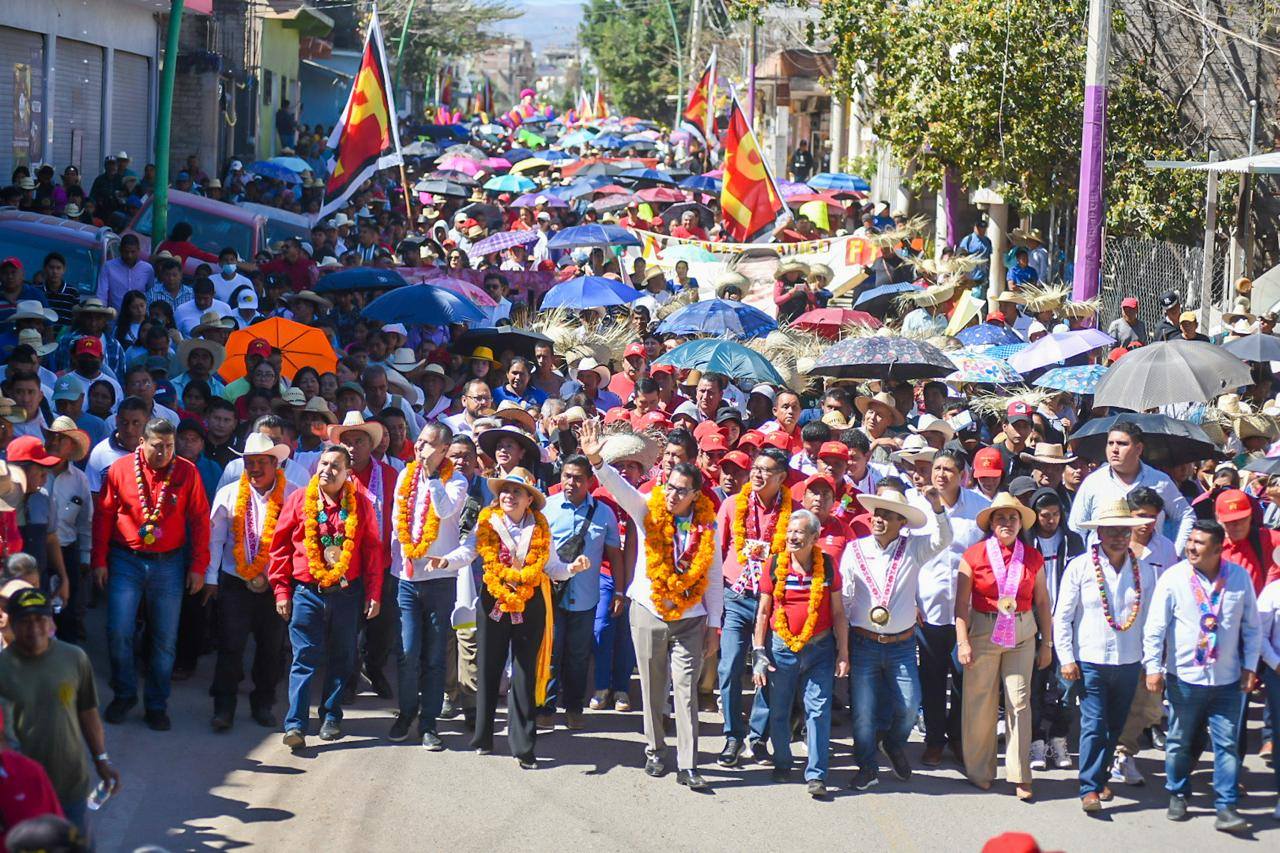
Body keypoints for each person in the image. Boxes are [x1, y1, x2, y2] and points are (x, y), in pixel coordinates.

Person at [580, 419, 723, 791]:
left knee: (686, 689)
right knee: (653, 688)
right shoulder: (647, 509)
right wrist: (597, 461)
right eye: (670, 487)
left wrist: (714, 626)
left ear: (695, 495)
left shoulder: (708, 526)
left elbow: (714, 576)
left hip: (691, 619)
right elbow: (620, 487)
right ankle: (656, 749)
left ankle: (688, 764)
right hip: (648, 610)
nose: (673, 495)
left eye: (682, 491)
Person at [467, 467, 590, 768]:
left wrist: (572, 568)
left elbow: (553, 568)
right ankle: (483, 736)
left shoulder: (540, 529)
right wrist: (447, 559)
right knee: (488, 666)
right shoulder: (487, 523)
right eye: (505, 491)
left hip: (530, 605)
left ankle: (523, 745)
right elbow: (467, 551)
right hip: (494, 602)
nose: (509, 496)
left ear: (528, 500)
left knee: (524, 673)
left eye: (516, 492)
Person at [1142, 520, 1260, 834]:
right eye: (1191, 541)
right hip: (1184, 678)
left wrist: (1250, 668)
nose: (1191, 547)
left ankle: (1226, 806)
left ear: (1218, 549)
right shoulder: (1174, 578)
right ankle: (1178, 793)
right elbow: (1155, 627)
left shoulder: (1238, 578)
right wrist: (1153, 668)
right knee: (1179, 741)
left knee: (1227, 745)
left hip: (1227, 680)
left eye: (1200, 543)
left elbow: (1251, 627)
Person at [92, 418, 210, 731]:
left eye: (169, 446)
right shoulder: (119, 469)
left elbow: (200, 520)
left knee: (165, 639)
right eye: (157, 445)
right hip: (125, 559)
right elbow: (103, 516)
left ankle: (157, 704)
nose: (163, 452)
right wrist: (99, 560)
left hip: (169, 564)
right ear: (142, 442)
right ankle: (125, 693)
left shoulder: (187, 471)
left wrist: (199, 566)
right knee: (119, 630)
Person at [269, 445, 384, 750]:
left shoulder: (360, 504)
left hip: (347, 593)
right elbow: (280, 548)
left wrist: (374, 593)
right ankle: (295, 725)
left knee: (342, 656)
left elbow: (372, 550)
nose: (327, 470)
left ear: (348, 473)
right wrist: (281, 590)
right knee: (303, 658)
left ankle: (331, 716)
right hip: (306, 592)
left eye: (335, 466)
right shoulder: (298, 500)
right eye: (323, 463)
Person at [840, 482, 951, 790]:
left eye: (887, 515)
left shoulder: (913, 547)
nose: (878, 519)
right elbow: (846, 596)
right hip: (863, 641)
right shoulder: (855, 548)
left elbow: (944, 538)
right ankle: (867, 765)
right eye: (877, 513)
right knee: (863, 712)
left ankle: (892, 742)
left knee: (909, 704)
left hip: (901, 643)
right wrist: (843, 640)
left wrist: (937, 508)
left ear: (902, 522)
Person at [1053, 500, 1155, 812]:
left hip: (1128, 661)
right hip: (1091, 660)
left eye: (1123, 532)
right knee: (1094, 723)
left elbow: (1151, 621)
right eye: (1111, 531)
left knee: (1115, 726)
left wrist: (1150, 664)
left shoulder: (1144, 570)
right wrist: (1067, 658)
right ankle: (1089, 788)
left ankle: (1100, 777)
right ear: (1099, 532)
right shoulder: (1080, 567)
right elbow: (1063, 616)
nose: (1118, 537)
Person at [0, 588, 120, 840]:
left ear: (51, 621)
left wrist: (102, 760)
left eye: (40, 620)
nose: (34, 629)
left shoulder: (74, 658)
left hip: (71, 784)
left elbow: (88, 712)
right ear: (11, 623)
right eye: (25, 622)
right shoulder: (2, 669)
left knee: (77, 845)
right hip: (21, 791)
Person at [956, 493, 1053, 800]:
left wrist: (1047, 644)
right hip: (984, 629)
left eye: (1013, 518)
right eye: (1001, 518)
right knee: (979, 702)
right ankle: (980, 770)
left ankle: (1020, 773)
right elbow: (960, 606)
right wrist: (962, 642)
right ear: (991, 523)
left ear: (1020, 523)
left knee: (1019, 700)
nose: (1007, 523)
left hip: (1022, 632)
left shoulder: (1033, 557)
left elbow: (1042, 601)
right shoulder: (973, 556)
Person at [752, 509, 849, 798]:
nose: (793, 537)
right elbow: (763, 612)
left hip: (820, 649)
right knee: (779, 710)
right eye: (790, 532)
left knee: (817, 711)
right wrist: (759, 652)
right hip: (782, 648)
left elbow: (839, 613)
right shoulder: (773, 565)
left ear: (815, 537)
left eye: (800, 533)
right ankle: (782, 762)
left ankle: (817, 775)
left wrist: (843, 651)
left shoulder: (828, 566)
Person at [205, 433, 296, 731]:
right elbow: (215, 539)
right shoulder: (230, 493)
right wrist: (211, 579)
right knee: (231, 645)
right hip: (235, 581)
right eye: (249, 463)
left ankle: (263, 703)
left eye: (261, 462)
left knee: (271, 648)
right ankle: (224, 708)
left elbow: (300, 542)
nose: (254, 469)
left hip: (275, 584)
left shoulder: (293, 494)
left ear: (275, 464)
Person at [388, 422, 470, 750]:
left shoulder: (457, 480)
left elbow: (445, 510)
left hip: (440, 580)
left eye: (427, 444)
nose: (419, 448)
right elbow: (397, 520)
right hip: (407, 577)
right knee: (408, 652)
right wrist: (403, 553)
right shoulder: (406, 478)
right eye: (419, 442)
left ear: (442, 451)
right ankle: (407, 712)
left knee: (435, 656)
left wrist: (434, 477)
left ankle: (429, 722)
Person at [714, 446, 794, 767]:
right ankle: (733, 735)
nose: (758, 475)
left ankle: (758, 737)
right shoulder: (733, 505)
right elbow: (717, 553)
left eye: (767, 470)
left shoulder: (793, 512)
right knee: (730, 664)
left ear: (782, 477)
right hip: (735, 596)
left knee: (768, 670)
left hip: (773, 602)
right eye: (756, 469)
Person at [915, 448, 991, 766]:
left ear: (962, 475)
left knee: (964, 678)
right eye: (937, 468)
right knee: (931, 678)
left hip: (968, 611)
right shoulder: (916, 507)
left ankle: (958, 739)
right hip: (927, 607)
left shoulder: (980, 508)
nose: (941, 474)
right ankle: (934, 740)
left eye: (949, 469)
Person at [541, 455, 622, 730]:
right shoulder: (546, 508)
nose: (570, 483)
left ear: (590, 481)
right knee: (551, 652)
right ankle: (546, 707)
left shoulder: (604, 513)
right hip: (551, 595)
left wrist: (620, 591)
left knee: (577, 655)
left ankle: (574, 707)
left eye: (577, 478)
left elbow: (615, 554)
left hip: (586, 597)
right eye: (566, 476)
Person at [1068, 423, 1195, 551]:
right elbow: (1076, 527)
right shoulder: (1093, 482)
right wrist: (1084, 561)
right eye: (1110, 443)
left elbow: (1186, 515)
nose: (1114, 449)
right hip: (1101, 565)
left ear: (1139, 449)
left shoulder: (1160, 481)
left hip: (1149, 564)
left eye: (1122, 443)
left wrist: (1177, 553)